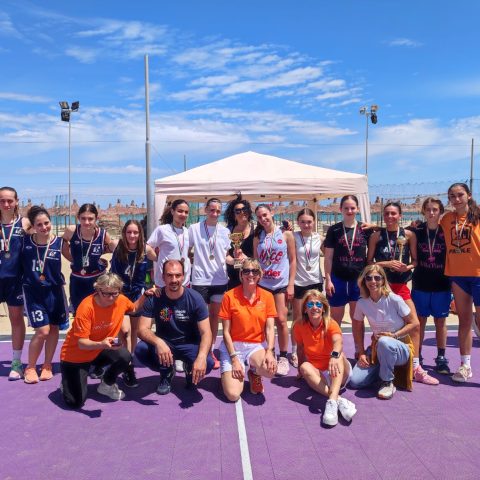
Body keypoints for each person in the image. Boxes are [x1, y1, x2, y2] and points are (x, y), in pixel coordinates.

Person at [368, 201, 438, 385]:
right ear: (383, 216)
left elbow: (415, 261)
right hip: (381, 288)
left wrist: (406, 267)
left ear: (400, 215)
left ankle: (416, 366)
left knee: (414, 324)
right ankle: (374, 356)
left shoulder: (409, 235)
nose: (390, 217)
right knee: (382, 324)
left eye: (394, 213)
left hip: (400, 286)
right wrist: (386, 263)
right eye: (387, 213)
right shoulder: (376, 236)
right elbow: (369, 263)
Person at [60, 273, 151, 408]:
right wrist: (102, 343)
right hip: (76, 355)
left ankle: (107, 384)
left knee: (125, 356)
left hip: (99, 350)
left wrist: (146, 295)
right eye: (106, 294)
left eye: (114, 293)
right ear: (98, 290)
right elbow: (82, 343)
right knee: (75, 403)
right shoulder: (86, 308)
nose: (111, 298)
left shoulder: (121, 300)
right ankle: (67, 381)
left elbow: (134, 308)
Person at [135, 260, 214, 395]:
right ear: (163, 277)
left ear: (183, 276)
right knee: (141, 350)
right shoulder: (154, 298)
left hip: (189, 344)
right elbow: (141, 329)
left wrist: (201, 357)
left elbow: (206, 332)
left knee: (208, 362)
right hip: (165, 343)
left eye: (178, 275)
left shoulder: (195, 299)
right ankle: (167, 371)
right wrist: (159, 342)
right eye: (169, 275)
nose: (174, 280)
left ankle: (190, 369)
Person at [350, 265, 420, 399]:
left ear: (383, 280)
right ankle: (382, 368)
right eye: (369, 278)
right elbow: (357, 326)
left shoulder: (394, 299)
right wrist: (361, 352)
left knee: (384, 342)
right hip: (377, 348)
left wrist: (394, 335)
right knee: (355, 382)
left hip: (402, 348)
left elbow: (414, 323)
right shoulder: (362, 303)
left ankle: (387, 381)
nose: (373, 281)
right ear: (364, 281)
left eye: (377, 278)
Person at [294, 290, 356, 427]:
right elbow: (300, 349)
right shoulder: (298, 326)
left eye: (318, 304)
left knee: (339, 355)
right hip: (319, 374)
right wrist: (299, 370)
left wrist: (334, 356)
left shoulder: (331, 324)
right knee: (305, 367)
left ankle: (331, 403)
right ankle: (338, 399)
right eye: (310, 304)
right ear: (305, 309)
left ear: (323, 309)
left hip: (338, 371)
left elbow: (338, 342)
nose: (314, 307)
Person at [22, 206, 70, 384]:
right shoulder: (25, 242)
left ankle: (47, 365)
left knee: (54, 328)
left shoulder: (59, 243)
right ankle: (30, 367)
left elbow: (75, 258)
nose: (44, 227)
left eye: (47, 223)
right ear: (33, 226)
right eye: (39, 224)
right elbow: (21, 223)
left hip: (55, 292)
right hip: (33, 292)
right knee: (42, 331)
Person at [218, 258, 277, 400]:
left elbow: (270, 329)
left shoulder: (268, 296)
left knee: (270, 370)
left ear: (260, 275)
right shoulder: (229, 296)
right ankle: (228, 374)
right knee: (233, 395)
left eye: (255, 271)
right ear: (241, 274)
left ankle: (254, 372)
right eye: (246, 271)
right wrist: (234, 359)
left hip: (255, 346)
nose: (251, 274)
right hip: (233, 347)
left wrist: (270, 351)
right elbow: (225, 332)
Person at [440, 183, 480, 382]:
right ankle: (466, 366)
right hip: (457, 275)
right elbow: (424, 226)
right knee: (464, 321)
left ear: (469, 196)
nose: (456, 199)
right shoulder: (447, 219)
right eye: (452, 196)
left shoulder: (478, 217)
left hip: (478, 274)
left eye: (460, 195)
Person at [111, 219, 157, 387]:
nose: (132, 235)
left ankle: (128, 363)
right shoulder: (117, 247)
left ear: (140, 234)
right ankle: (127, 364)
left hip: (138, 294)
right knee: (125, 331)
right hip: (120, 295)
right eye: (129, 232)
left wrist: (154, 284)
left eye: (135, 232)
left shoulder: (146, 250)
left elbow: (161, 260)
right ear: (124, 233)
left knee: (134, 332)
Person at [253, 203, 296, 376]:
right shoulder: (258, 237)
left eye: (265, 214)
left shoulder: (286, 234)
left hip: (280, 284)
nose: (263, 219)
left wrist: (291, 284)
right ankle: (268, 351)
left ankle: (283, 356)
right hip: (263, 285)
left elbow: (293, 260)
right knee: (264, 322)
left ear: (272, 213)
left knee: (282, 321)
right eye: (259, 217)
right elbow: (256, 262)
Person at [188, 198, 231, 370]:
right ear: (205, 210)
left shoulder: (225, 231)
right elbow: (186, 249)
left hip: (220, 279)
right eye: (212, 210)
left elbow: (226, 256)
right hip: (200, 279)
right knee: (199, 317)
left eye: (218, 211)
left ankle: (211, 350)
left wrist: (237, 259)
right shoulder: (194, 228)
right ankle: (198, 349)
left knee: (214, 316)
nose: (215, 213)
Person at [410, 198, 451, 374]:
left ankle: (441, 357)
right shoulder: (416, 231)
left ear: (441, 211)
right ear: (423, 212)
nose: (431, 213)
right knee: (419, 321)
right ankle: (417, 357)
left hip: (443, 283)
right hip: (421, 283)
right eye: (428, 209)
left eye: (435, 209)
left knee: (440, 322)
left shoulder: (447, 231)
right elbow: (394, 229)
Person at [324, 195, 373, 326]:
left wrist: (375, 226)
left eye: (352, 208)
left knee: (357, 319)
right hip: (337, 279)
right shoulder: (334, 230)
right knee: (335, 319)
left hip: (358, 280)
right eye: (346, 208)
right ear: (341, 209)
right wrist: (328, 280)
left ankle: (358, 341)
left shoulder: (366, 229)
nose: (349, 211)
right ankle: (335, 341)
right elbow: (328, 257)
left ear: (357, 209)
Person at [0, 186, 31, 380]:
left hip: (16, 280)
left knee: (16, 319)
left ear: (16, 201)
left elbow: (41, 239)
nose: (6, 204)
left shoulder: (24, 223)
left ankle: (16, 363)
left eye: (9, 200)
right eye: (2, 200)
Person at [63, 203, 115, 314]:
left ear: (96, 218)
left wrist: (99, 259)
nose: (86, 222)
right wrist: (74, 260)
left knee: (98, 313)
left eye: (90, 219)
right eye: (83, 218)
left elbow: (111, 248)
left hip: (97, 279)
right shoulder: (71, 231)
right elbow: (63, 245)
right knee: (79, 313)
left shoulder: (103, 234)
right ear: (78, 218)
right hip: (77, 279)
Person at [290, 208, 323, 368]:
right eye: (302, 222)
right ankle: (295, 351)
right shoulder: (293, 237)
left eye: (309, 222)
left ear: (314, 222)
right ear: (298, 222)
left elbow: (331, 255)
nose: (306, 225)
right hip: (299, 283)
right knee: (298, 319)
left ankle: (314, 349)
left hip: (316, 283)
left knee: (315, 317)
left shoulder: (319, 238)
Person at [223, 194, 255, 290]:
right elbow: (224, 254)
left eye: (244, 209)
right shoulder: (228, 230)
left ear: (249, 212)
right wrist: (234, 261)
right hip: (233, 277)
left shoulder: (256, 229)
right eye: (238, 211)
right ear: (234, 215)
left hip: (251, 275)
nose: (242, 212)